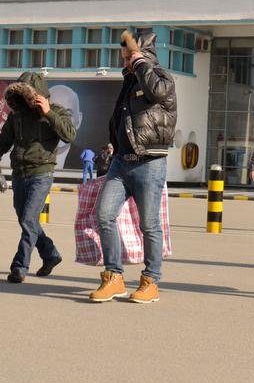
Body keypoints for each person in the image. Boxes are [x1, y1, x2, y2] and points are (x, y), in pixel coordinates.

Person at [89, 29, 176, 304]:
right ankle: (114, 277)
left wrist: (140, 62)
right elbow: (121, 119)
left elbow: (157, 92)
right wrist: (114, 143)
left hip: (149, 162)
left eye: (129, 56)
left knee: (149, 225)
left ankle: (151, 281)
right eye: (126, 57)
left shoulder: (160, 76)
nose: (125, 61)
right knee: (104, 215)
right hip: (121, 163)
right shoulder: (128, 82)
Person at [0, 72, 76, 283]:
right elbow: (2, 141)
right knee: (26, 220)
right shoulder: (16, 116)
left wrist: (48, 113)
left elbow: (69, 134)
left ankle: (19, 267)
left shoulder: (55, 111)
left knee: (29, 219)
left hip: (41, 173)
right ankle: (50, 254)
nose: (25, 101)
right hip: (19, 173)